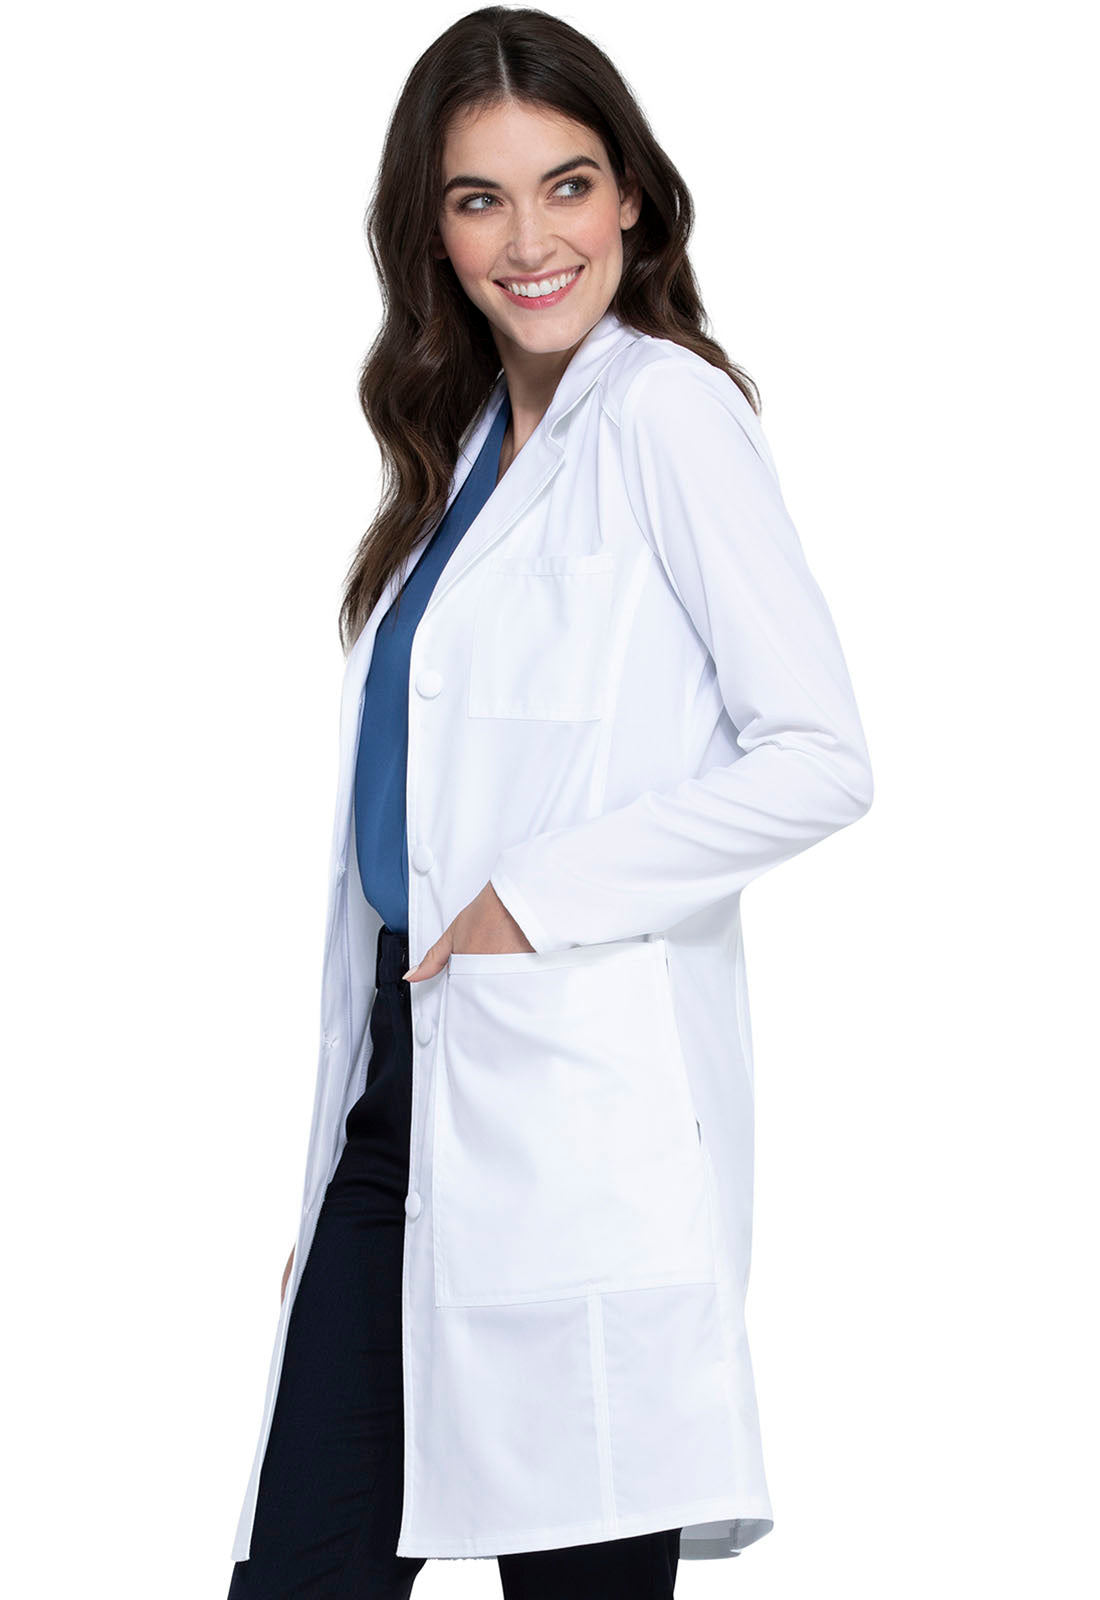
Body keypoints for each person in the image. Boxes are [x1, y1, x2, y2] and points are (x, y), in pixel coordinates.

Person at [227, 7, 874, 1598]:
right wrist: (340, 1150)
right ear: (432, 232)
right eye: (481, 199)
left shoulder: (665, 413)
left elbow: (818, 753)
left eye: (567, 186)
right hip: (400, 1110)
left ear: (632, 197)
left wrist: (535, 899)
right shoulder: (455, 451)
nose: (531, 242)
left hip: (574, 1120)